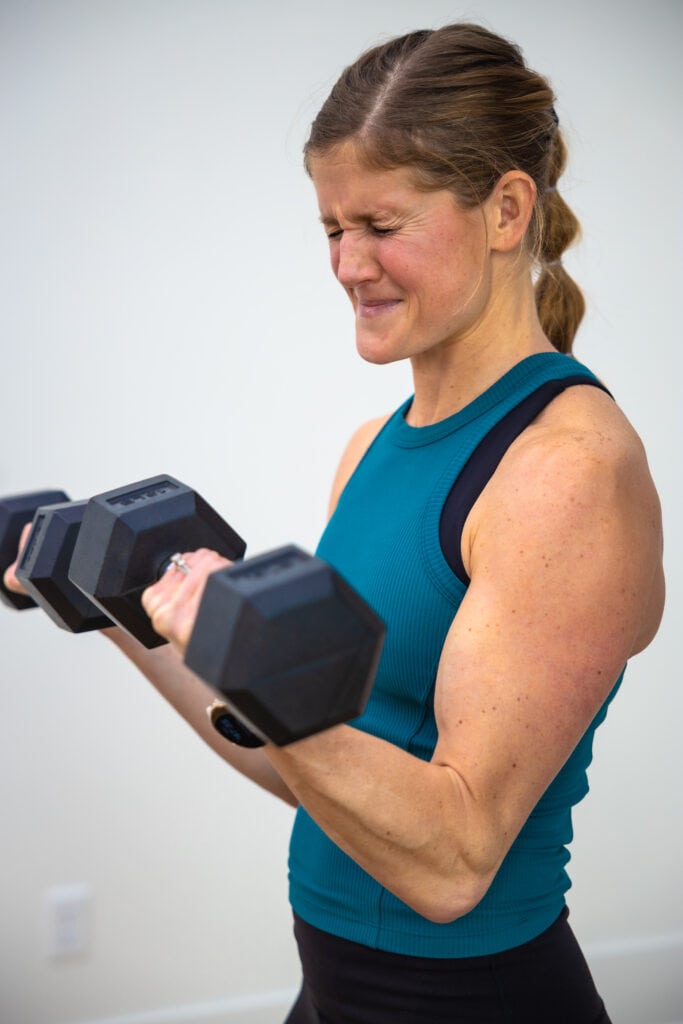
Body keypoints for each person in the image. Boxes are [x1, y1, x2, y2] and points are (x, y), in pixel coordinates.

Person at [5, 22, 665, 1024]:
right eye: (329, 228)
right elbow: (314, 770)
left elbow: (451, 859)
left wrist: (254, 665)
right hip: (333, 987)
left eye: (381, 223)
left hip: (464, 1001)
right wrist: (120, 601)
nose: (348, 265)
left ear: (503, 209)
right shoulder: (372, 445)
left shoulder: (562, 471)